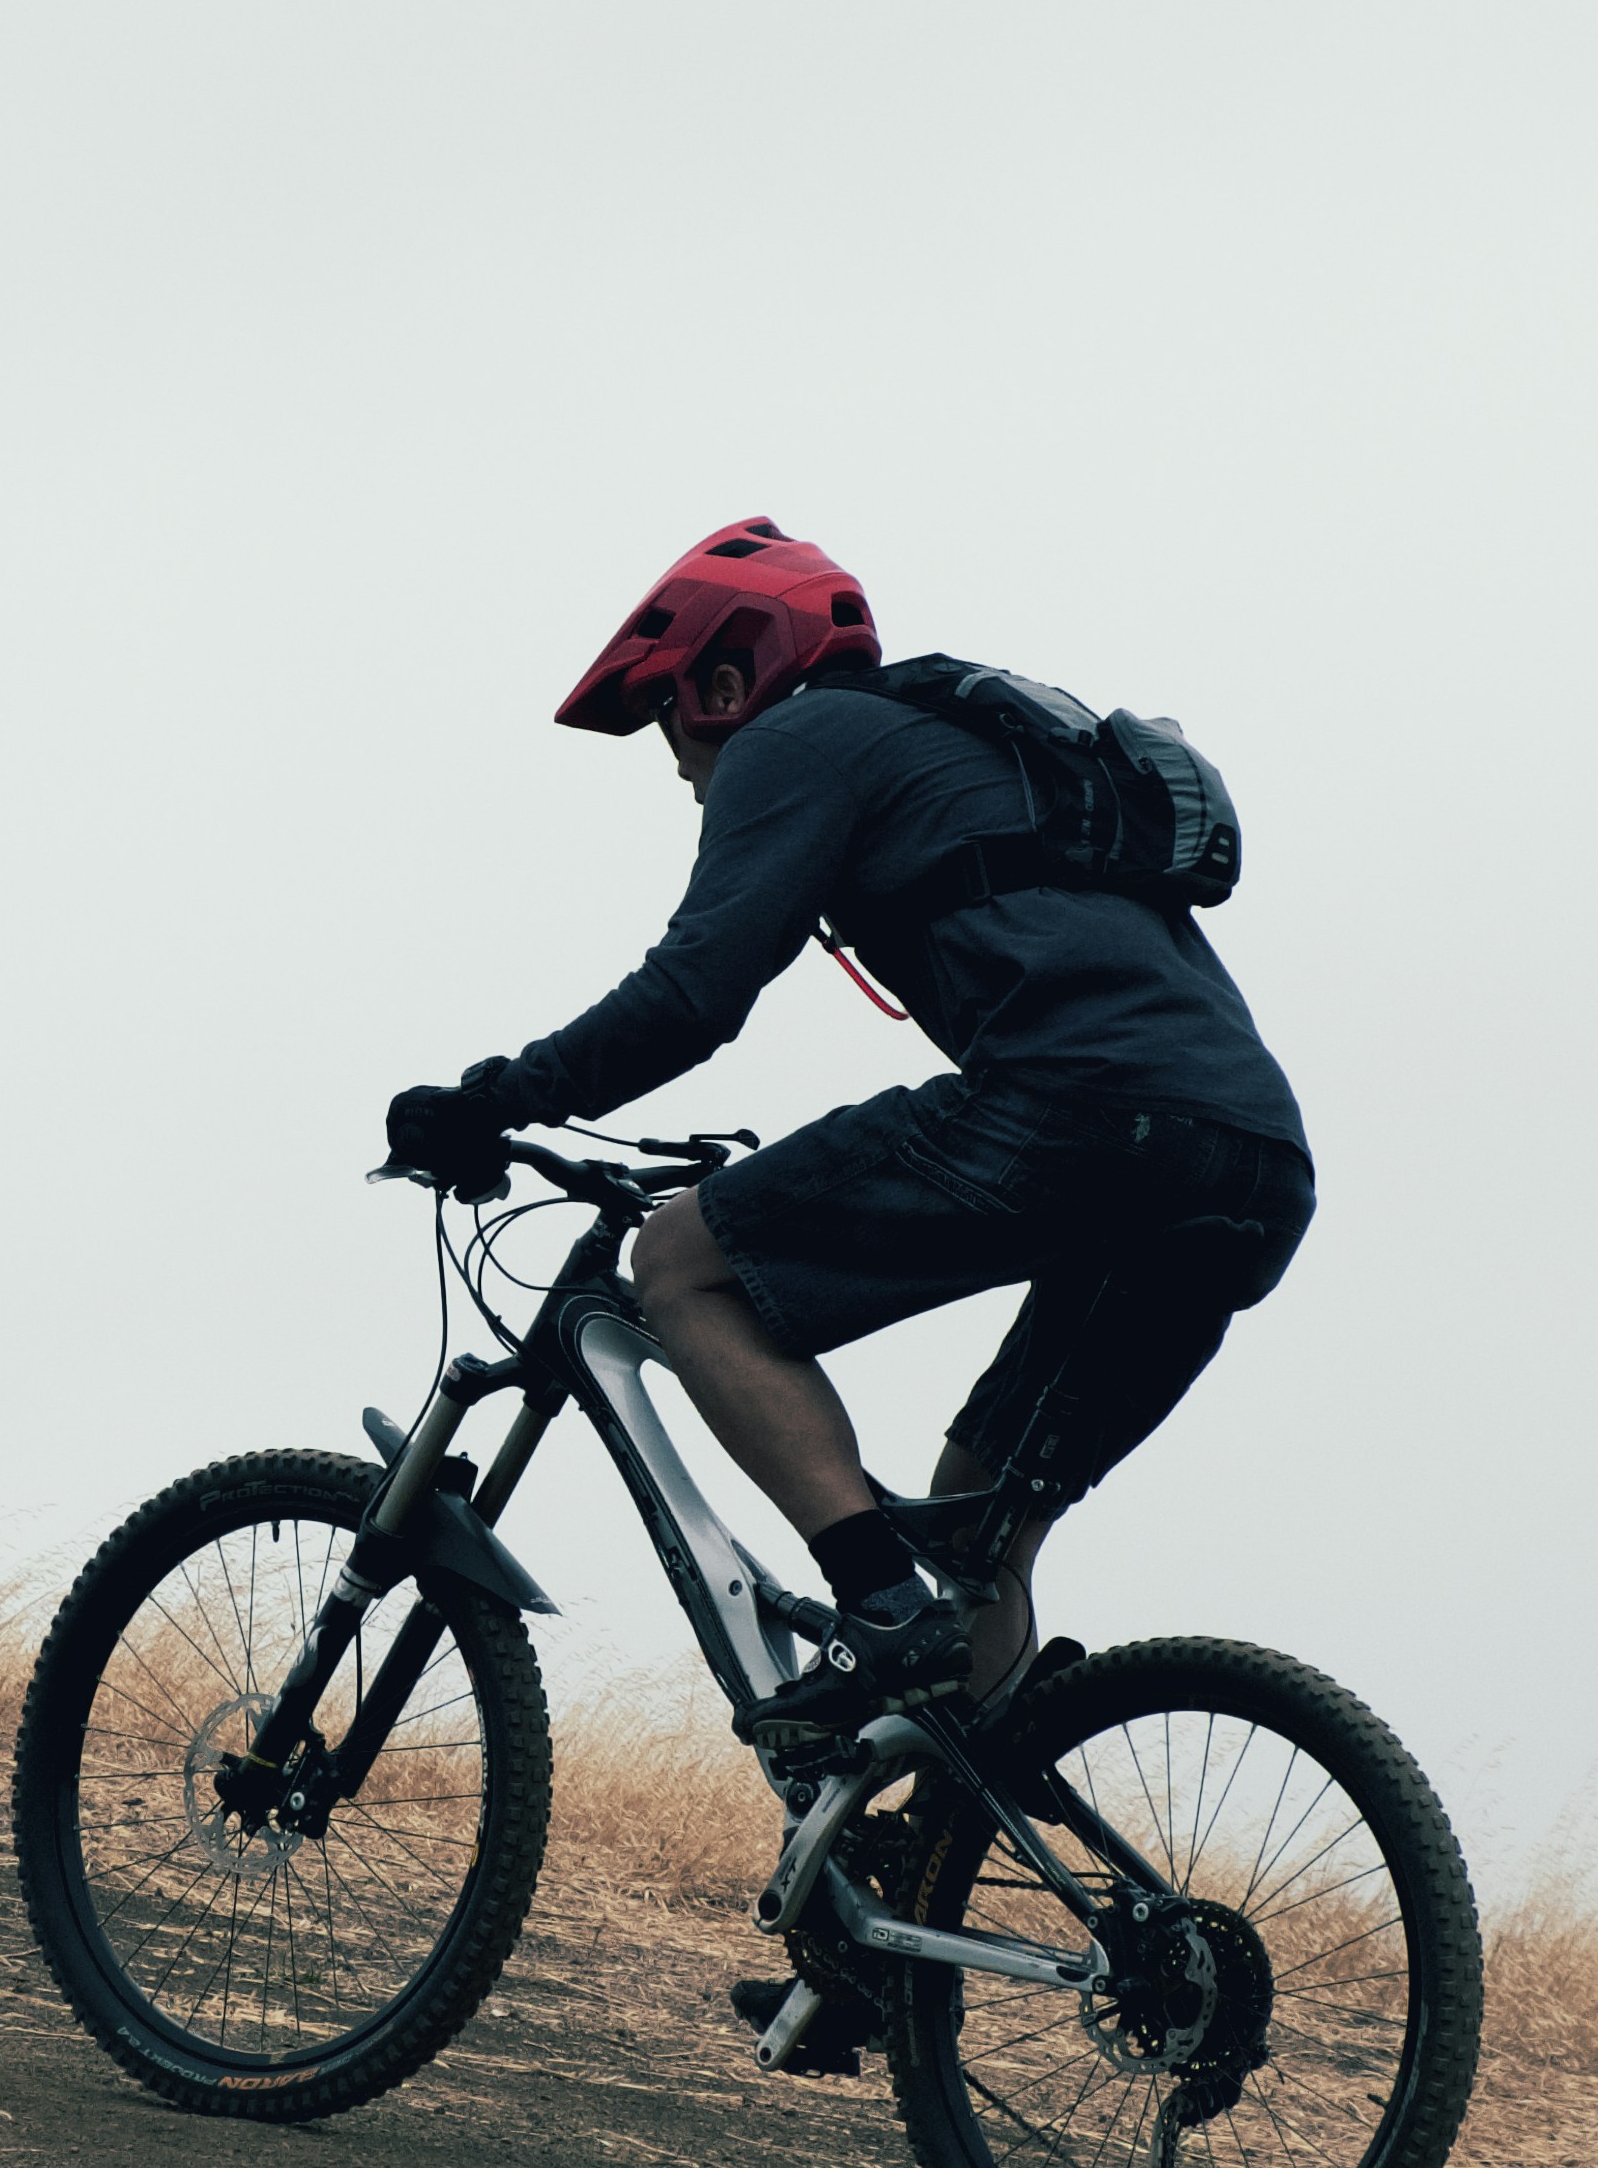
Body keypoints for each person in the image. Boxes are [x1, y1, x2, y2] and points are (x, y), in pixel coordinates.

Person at [383, 517, 1316, 1786]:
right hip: (1251, 1168)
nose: (678, 767)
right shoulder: (968, 746)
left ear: (725, 685)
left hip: (1071, 1111)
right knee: (981, 1529)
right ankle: (908, 1911)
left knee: (684, 1266)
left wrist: (495, 1098)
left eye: (670, 723)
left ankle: (872, 1600)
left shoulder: (796, 739)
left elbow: (694, 995)